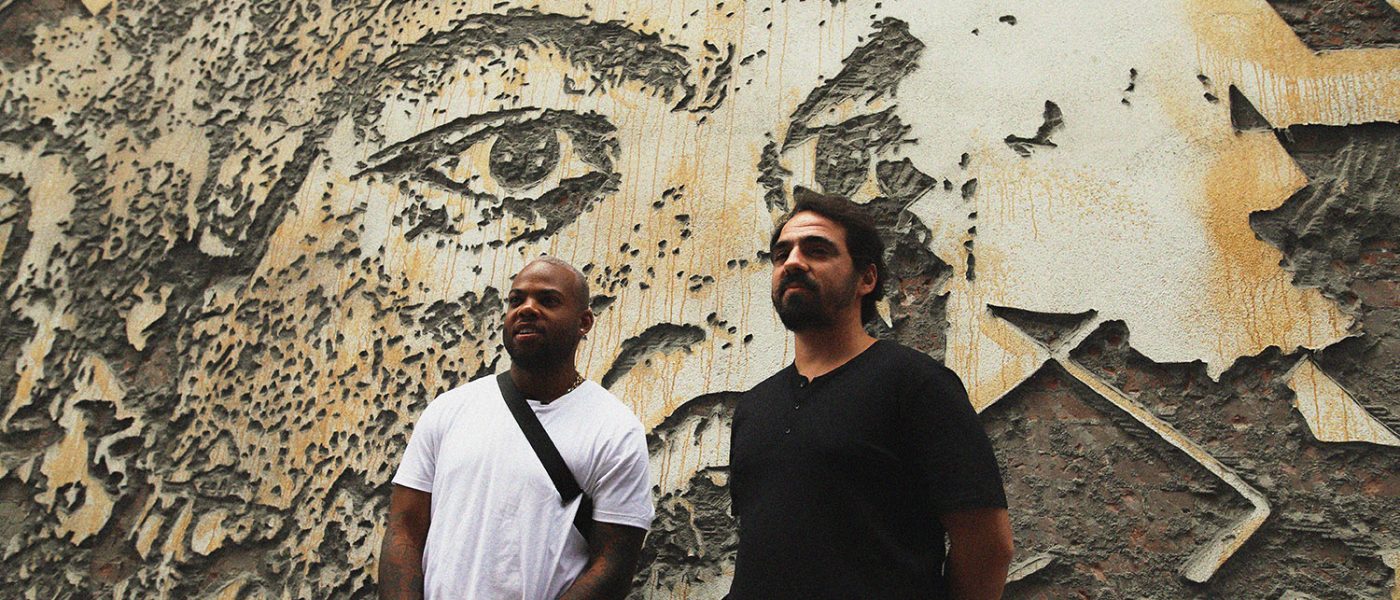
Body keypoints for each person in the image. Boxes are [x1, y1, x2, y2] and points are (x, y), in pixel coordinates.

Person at [728, 189, 1014, 599]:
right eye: (781, 254)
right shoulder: (754, 407)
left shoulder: (917, 385)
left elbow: (988, 546)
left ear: (867, 278)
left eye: (817, 250)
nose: (792, 262)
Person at [380, 257, 654, 600]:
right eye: (516, 300)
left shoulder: (615, 430)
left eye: (548, 300)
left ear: (584, 322)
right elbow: (404, 529)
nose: (526, 309)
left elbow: (612, 565)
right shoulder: (448, 410)